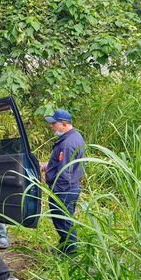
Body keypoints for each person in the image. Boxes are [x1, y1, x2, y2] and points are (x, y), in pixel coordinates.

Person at [41, 109, 85, 255]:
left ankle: (71, 254)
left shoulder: (67, 144)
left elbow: (65, 173)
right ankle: (64, 247)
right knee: (64, 221)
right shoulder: (74, 137)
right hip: (70, 187)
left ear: (64, 124)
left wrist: (56, 191)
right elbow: (64, 164)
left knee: (64, 222)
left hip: (64, 189)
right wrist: (47, 166)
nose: (51, 126)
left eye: (54, 123)